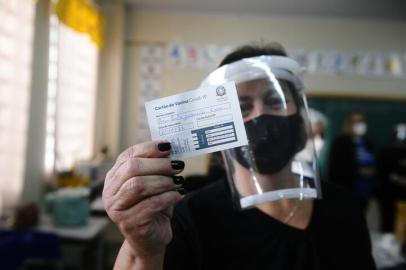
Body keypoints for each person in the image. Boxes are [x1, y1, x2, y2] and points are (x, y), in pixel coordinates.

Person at [102, 43, 376, 269]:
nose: (260, 115)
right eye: (242, 107)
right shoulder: (189, 219)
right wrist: (143, 248)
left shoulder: (344, 207)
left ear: (299, 118)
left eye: (275, 101)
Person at [328, 112, 376, 213]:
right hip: (346, 188)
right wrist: (359, 171)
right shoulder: (341, 142)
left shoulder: (368, 142)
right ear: (349, 123)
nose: (360, 124)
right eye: (356, 121)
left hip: (365, 190)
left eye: (362, 121)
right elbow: (337, 166)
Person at [376, 123, 406, 232]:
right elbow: (383, 172)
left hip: (403, 195)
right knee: (388, 220)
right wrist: (399, 179)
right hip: (388, 193)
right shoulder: (386, 151)